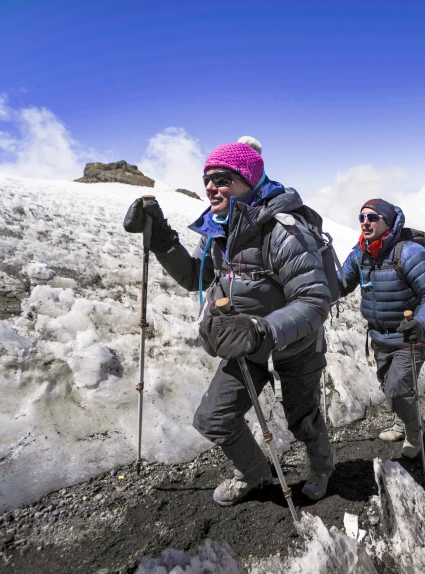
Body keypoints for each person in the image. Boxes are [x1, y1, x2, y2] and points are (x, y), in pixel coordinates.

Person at [123, 139, 335, 506]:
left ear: (248, 181)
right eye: (207, 178)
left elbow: (315, 301)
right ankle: (254, 474)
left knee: (303, 419)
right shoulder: (221, 230)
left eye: (221, 178)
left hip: (294, 343)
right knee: (214, 418)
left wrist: (262, 330)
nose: (210, 186)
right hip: (244, 342)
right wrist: (162, 241)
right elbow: (196, 278)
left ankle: (321, 470)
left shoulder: (284, 231)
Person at [339, 199, 425, 458]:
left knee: (398, 389)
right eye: (361, 217)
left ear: (387, 222)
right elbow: (341, 285)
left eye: (372, 217)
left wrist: (420, 323)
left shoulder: (409, 253)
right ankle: (404, 422)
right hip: (379, 336)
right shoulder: (359, 254)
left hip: (410, 338)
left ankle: (414, 432)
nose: (365, 222)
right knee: (390, 385)